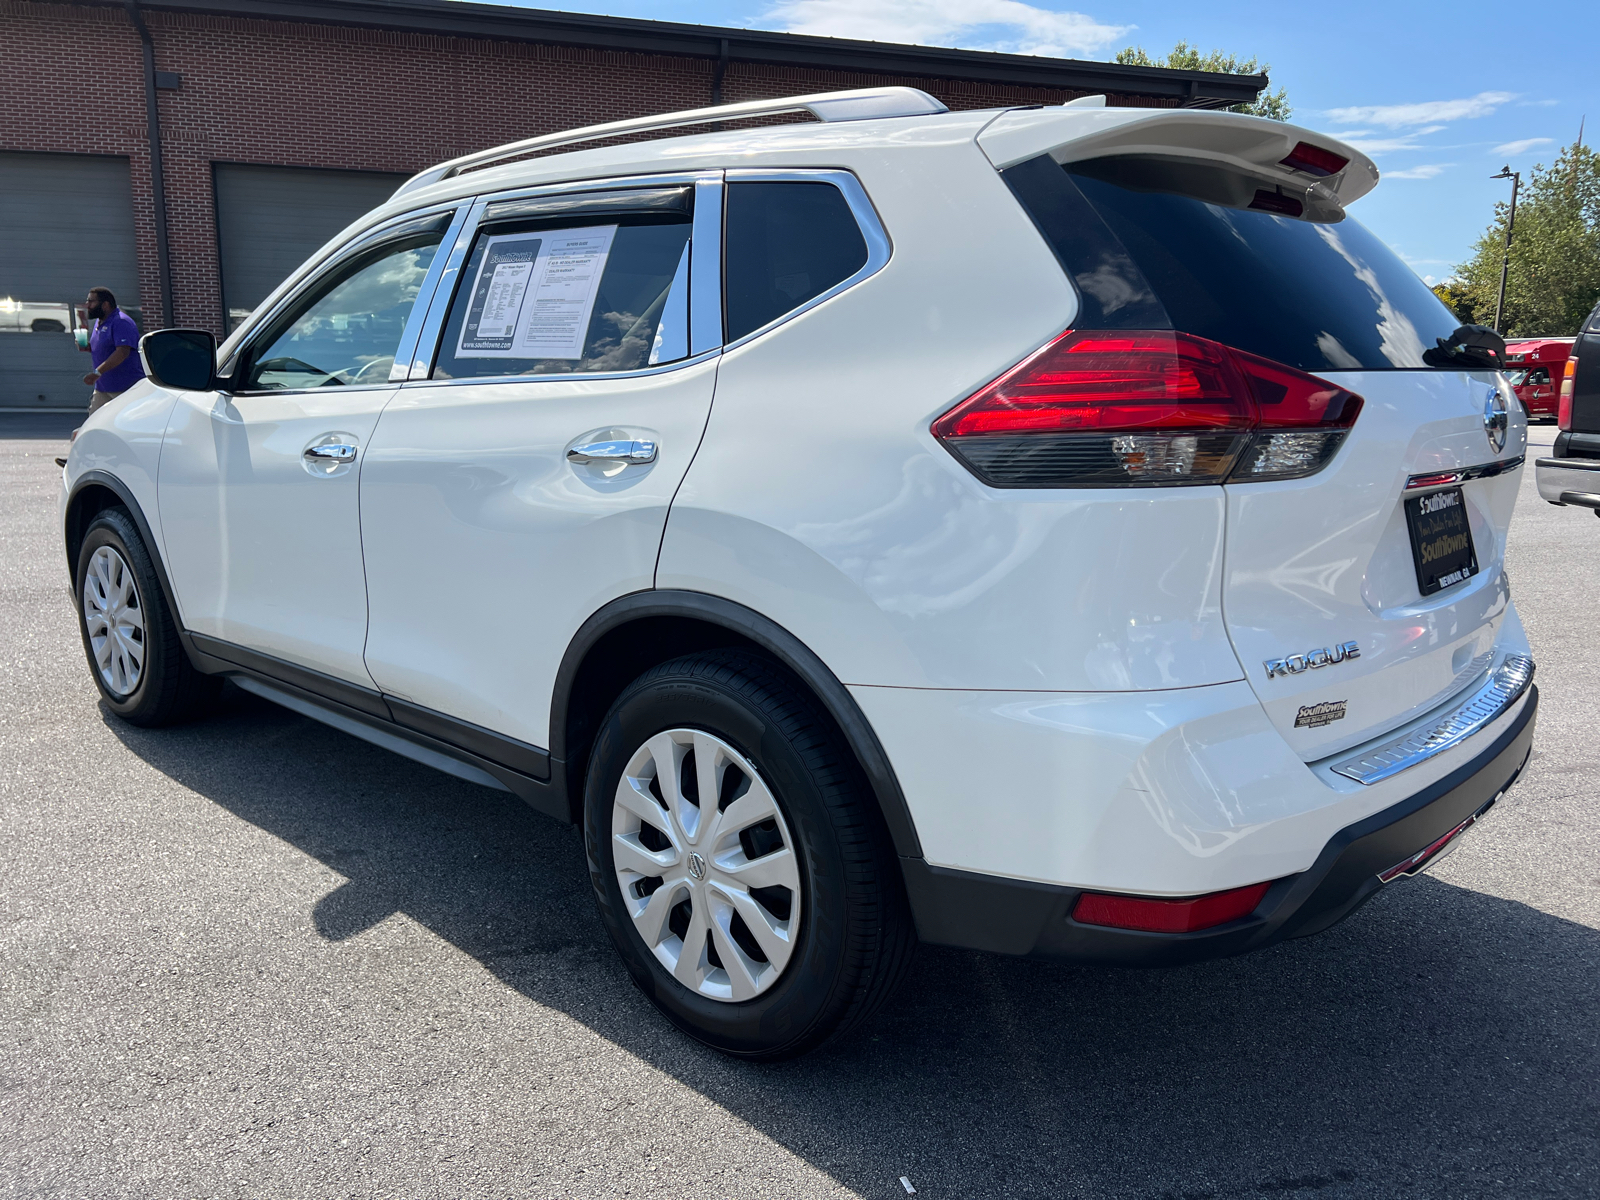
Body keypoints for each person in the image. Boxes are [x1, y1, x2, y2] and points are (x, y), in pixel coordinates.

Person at [81, 286, 145, 417]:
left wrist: (97, 372)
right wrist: (88, 347)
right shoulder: (100, 322)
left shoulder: (121, 322)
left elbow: (122, 352)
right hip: (103, 388)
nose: (87, 305)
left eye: (91, 301)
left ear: (105, 305)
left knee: (125, 425)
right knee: (93, 425)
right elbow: (105, 348)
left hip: (124, 389)